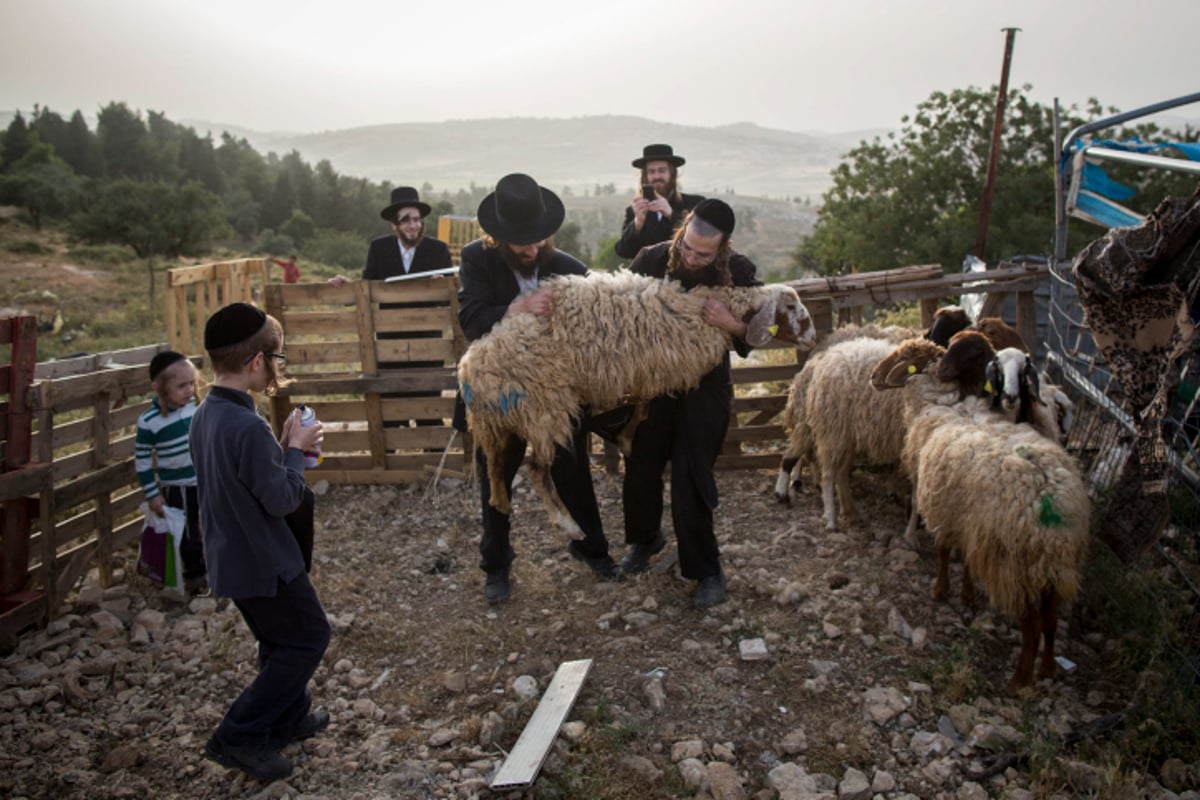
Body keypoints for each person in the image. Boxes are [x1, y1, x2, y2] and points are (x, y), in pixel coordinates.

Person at [457, 173, 621, 603]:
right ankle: (496, 563)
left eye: (537, 240)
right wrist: (518, 307)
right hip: (500, 394)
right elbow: (472, 321)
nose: (531, 250)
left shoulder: (567, 267)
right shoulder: (476, 260)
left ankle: (593, 548)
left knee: (573, 466)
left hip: (555, 396)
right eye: (521, 243)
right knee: (496, 473)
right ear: (499, 238)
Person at [190, 302, 331, 782]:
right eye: (278, 359)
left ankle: (288, 717)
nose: (278, 368)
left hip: (233, 559)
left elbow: (245, 480)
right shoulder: (247, 425)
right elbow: (282, 500)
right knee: (309, 638)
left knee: (278, 640)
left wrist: (283, 447)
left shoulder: (206, 414)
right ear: (256, 363)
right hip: (266, 560)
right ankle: (240, 735)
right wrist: (295, 452)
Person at [618, 199, 758, 609]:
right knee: (642, 462)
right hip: (656, 385)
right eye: (687, 248)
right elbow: (620, 310)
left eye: (704, 254)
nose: (693, 258)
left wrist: (729, 322)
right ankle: (645, 540)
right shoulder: (651, 259)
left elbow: (758, 332)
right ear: (682, 232)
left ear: (723, 247)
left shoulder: (741, 272)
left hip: (706, 387)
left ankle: (705, 568)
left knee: (691, 474)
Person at [333, 185, 453, 431]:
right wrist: (347, 287)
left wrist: (441, 290)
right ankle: (391, 467)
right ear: (394, 225)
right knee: (391, 411)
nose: (413, 225)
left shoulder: (438, 250)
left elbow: (450, 301)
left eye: (417, 219)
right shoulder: (379, 249)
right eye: (406, 220)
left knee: (428, 410)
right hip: (389, 344)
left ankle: (433, 465)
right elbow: (367, 289)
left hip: (427, 345)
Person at [134, 351, 207, 595]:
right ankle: (195, 575)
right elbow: (143, 461)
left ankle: (216, 567)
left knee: (211, 524)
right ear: (159, 388)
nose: (188, 390)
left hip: (205, 479)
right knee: (188, 532)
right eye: (181, 386)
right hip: (179, 486)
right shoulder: (149, 421)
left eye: (191, 383)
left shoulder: (197, 407)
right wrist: (153, 494)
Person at [614, 143, 705, 260]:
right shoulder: (635, 211)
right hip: (648, 277)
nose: (657, 176)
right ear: (645, 176)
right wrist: (638, 223)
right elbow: (623, 251)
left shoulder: (694, 204)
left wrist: (671, 215)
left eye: (662, 170)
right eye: (651, 172)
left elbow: (701, 242)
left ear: (672, 173)